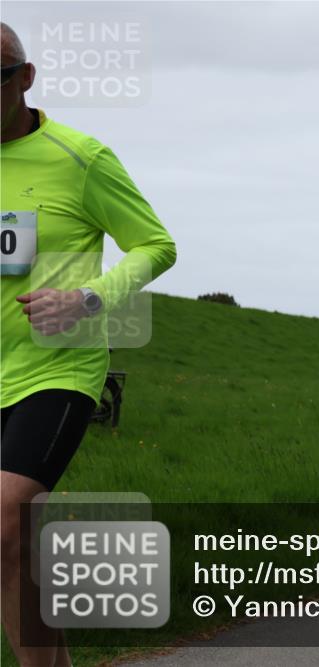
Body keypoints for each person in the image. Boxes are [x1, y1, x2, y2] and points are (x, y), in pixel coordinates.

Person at [1, 22, 176, 666]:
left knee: (5, 523)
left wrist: (85, 299)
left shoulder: (81, 157)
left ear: (24, 78)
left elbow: (157, 245)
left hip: (57, 370)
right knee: (10, 548)